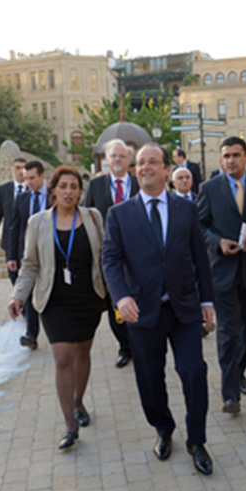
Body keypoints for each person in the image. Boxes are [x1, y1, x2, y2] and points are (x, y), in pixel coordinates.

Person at [102, 143, 215, 475]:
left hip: (184, 309)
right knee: (150, 379)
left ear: (167, 169)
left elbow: (200, 257)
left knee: (194, 372)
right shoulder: (119, 214)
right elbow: (110, 259)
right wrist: (121, 297)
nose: (146, 167)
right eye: (141, 163)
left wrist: (207, 300)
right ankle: (163, 429)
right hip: (141, 311)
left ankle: (197, 440)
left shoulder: (186, 209)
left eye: (153, 162)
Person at [7, 166, 106, 450]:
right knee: (63, 358)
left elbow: (103, 255)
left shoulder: (92, 217)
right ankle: (70, 426)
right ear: (52, 190)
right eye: (63, 186)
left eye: (74, 186)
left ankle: (78, 402)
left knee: (83, 351)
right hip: (54, 300)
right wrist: (18, 296)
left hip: (87, 298)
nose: (68, 191)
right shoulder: (38, 222)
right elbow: (30, 264)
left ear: (80, 191)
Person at [198, 136, 246, 415]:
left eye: (235, 155)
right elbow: (198, 226)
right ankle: (230, 394)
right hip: (222, 272)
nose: (230, 160)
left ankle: (239, 373)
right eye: (226, 156)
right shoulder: (209, 189)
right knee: (228, 332)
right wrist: (217, 242)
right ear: (221, 160)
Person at [83, 139, 138, 368]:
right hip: (108, 256)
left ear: (129, 160)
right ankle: (125, 347)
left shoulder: (139, 183)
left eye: (122, 156)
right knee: (115, 301)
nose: (117, 159)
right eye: (113, 155)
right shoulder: (96, 185)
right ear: (106, 159)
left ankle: (140, 344)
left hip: (138, 255)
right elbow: (86, 216)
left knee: (138, 299)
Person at [7, 160, 49, 350]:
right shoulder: (21, 199)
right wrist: (12, 256)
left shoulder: (53, 196)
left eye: (32, 178)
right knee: (30, 294)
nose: (28, 182)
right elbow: (15, 228)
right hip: (28, 254)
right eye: (26, 179)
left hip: (51, 253)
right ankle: (31, 335)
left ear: (42, 176)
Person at [0, 157, 26, 284]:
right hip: (10, 239)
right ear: (12, 170)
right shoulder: (3, 189)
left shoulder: (33, 190)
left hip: (28, 238)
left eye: (24, 168)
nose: (21, 171)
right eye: (18, 168)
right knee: (13, 273)